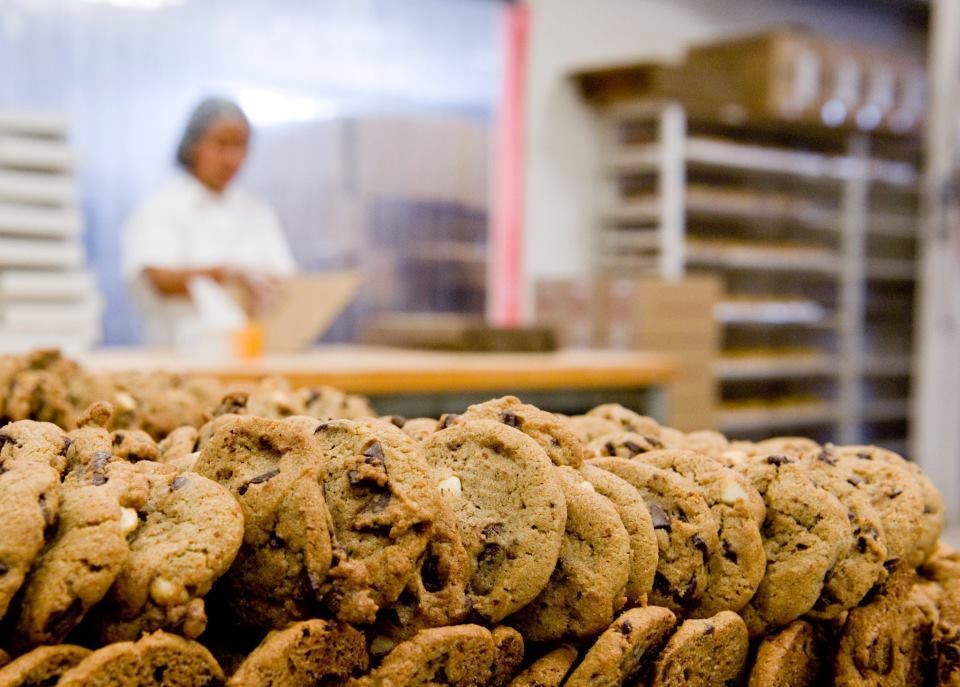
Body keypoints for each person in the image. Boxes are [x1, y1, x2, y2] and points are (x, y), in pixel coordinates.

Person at [122, 97, 295, 347]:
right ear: (193, 145)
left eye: (241, 146)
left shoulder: (255, 210)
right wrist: (226, 275)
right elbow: (158, 279)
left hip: (253, 357)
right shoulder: (161, 208)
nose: (232, 159)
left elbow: (285, 278)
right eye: (221, 144)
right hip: (178, 358)